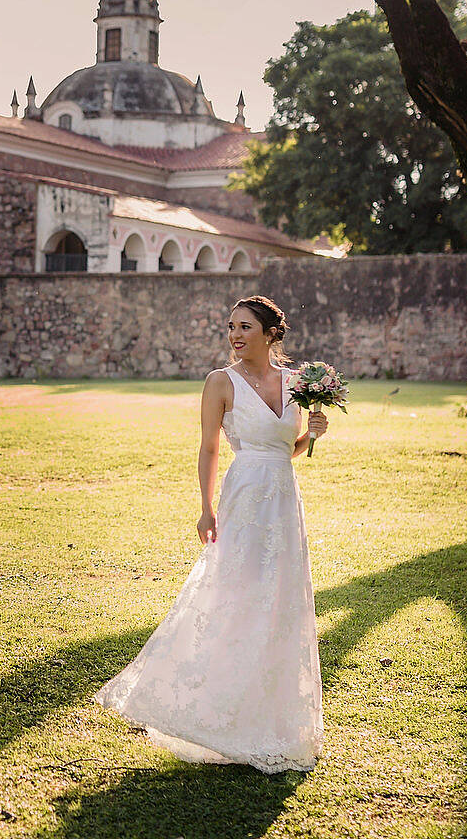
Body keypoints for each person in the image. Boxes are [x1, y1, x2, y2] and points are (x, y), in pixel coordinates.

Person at [92, 295, 330, 774]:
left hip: (284, 502)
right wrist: (205, 509)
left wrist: (314, 435)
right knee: (235, 593)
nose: (235, 335)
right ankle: (210, 705)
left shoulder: (297, 384)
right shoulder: (220, 382)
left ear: (270, 333)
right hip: (243, 498)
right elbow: (209, 448)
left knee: (279, 599)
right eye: (231, 327)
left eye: (245, 327)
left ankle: (267, 712)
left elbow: (285, 449)